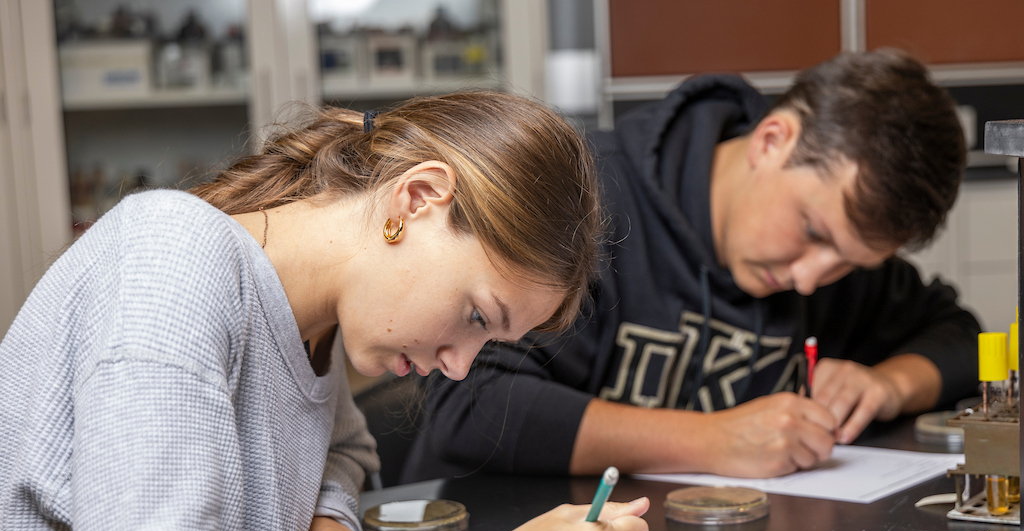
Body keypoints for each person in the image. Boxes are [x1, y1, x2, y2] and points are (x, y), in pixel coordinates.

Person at [0, 93, 650, 531]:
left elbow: (345, 450)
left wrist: (323, 526)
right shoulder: (169, 260)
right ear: (419, 197)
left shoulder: (315, 324)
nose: (462, 366)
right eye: (474, 315)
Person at [403, 51, 981, 482]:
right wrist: (711, 441)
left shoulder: (834, 258)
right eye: (811, 232)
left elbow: (964, 337)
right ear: (773, 141)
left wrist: (889, 384)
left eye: (849, 264)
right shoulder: (583, 203)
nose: (811, 278)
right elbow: (471, 408)